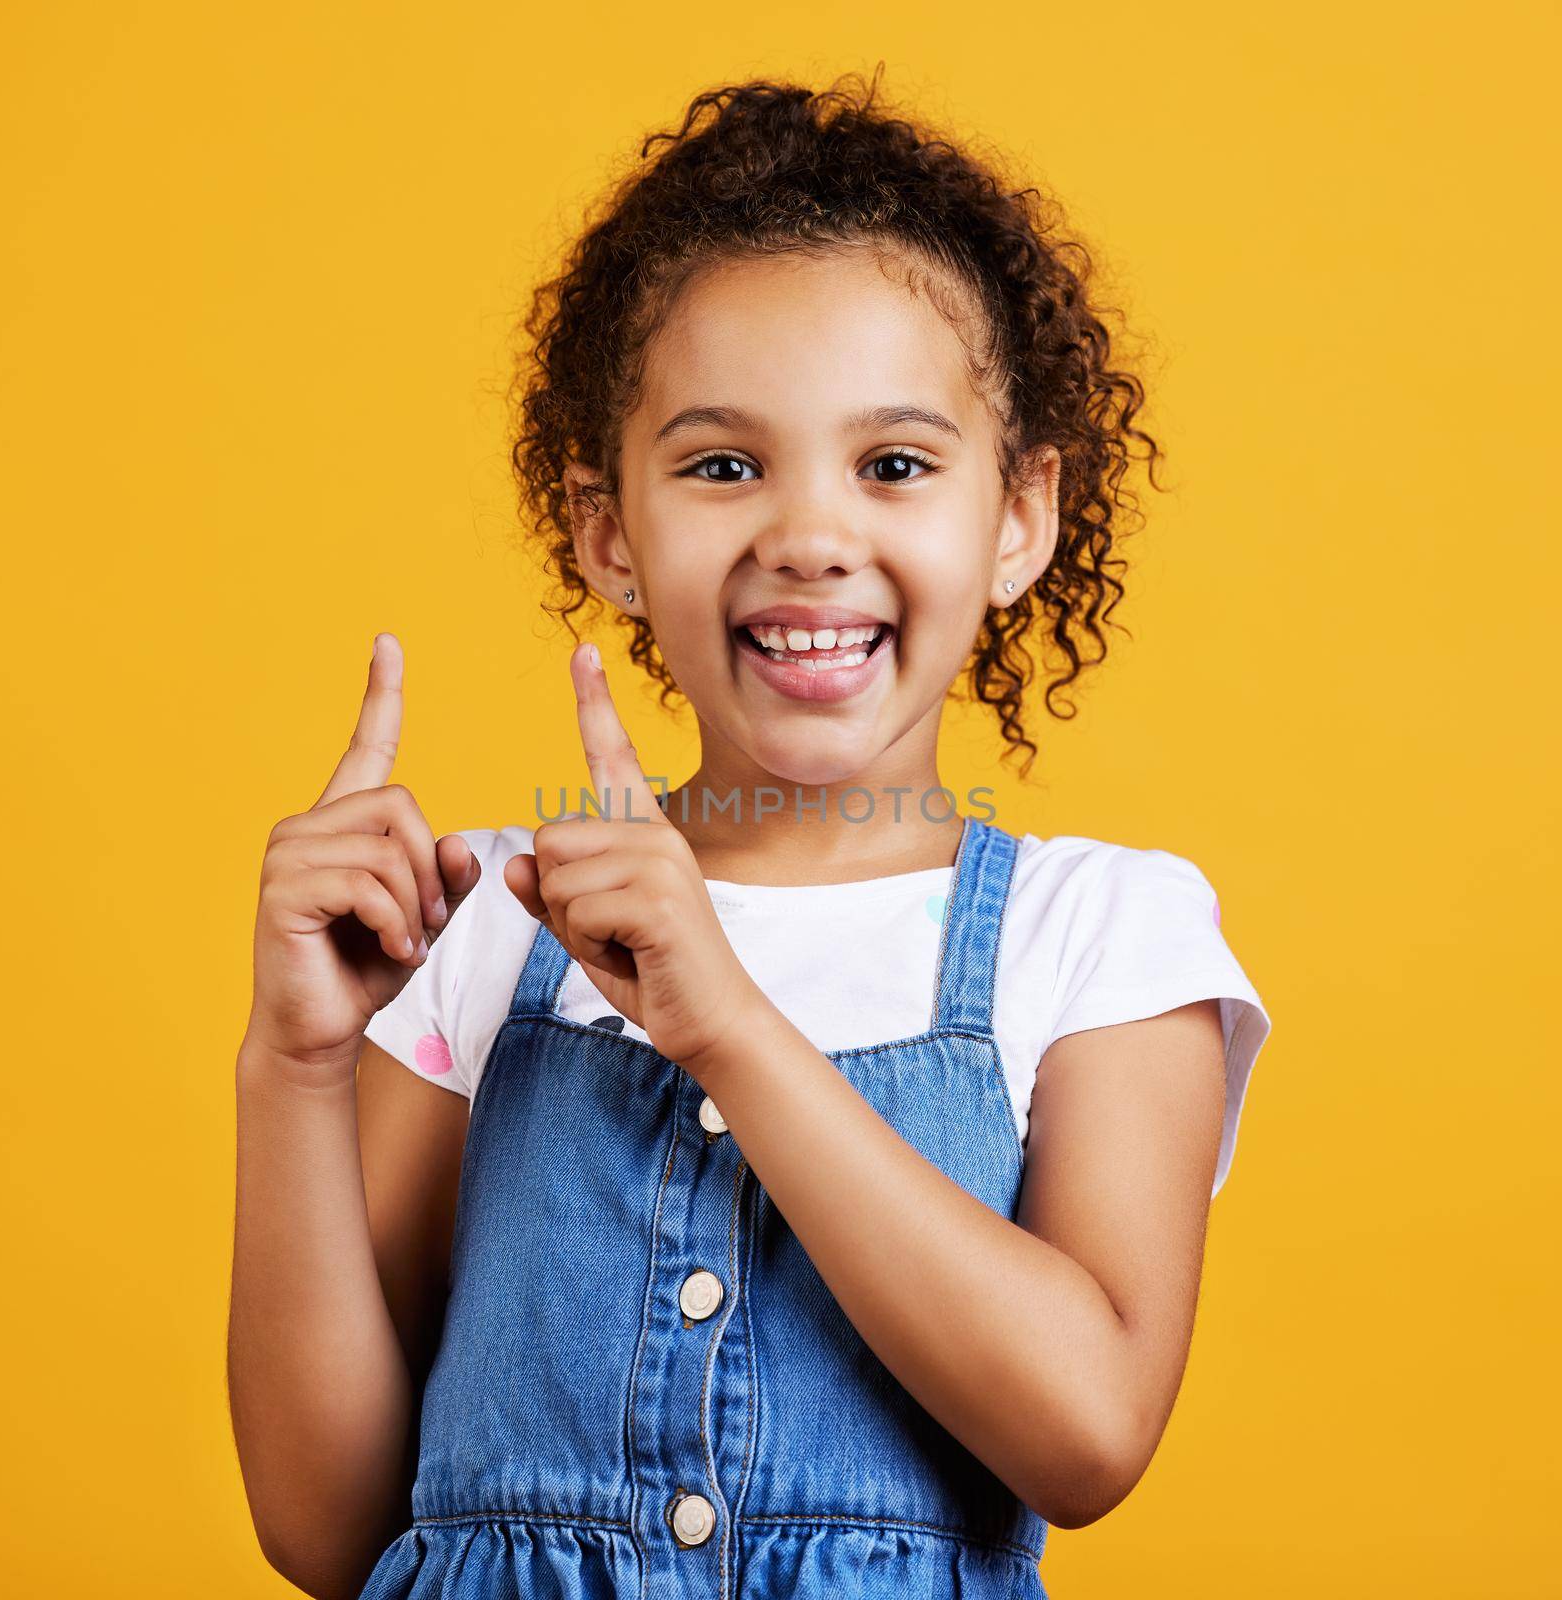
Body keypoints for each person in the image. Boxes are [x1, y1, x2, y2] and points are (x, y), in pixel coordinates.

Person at [228, 71, 1272, 1600]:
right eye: (722, 464)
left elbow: (1090, 1428)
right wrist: (296, 1069)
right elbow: (328, 1529)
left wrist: (723, 1022)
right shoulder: (488, 931)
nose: (807, 531)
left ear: (1019, 519)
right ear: (608, 530)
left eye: (896, 464)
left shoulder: (1103, 935)